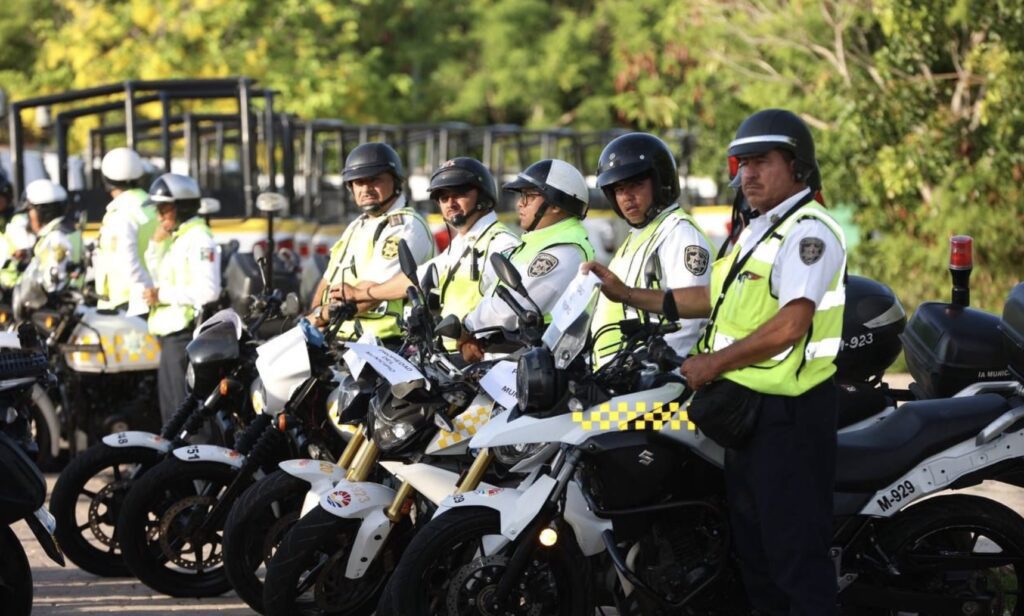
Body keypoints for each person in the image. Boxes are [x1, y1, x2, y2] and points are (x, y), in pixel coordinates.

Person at [587, 109, 846, 615]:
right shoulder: (756, 232)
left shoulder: (808, 233)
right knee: (756, 560)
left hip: (789, 418)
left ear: (797, 167)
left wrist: (714, 361)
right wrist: (627, 295)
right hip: (744, 417)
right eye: (742, 163)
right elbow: (708, 299)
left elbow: (792, 323)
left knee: (795, 562)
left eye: (761, 162)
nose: (746, 174)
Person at [336, 157, 519, 349]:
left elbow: (509, 305)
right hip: (451, 357)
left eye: (459, 194)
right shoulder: (463, 243)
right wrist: (361, 293)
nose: (450, 203)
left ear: (482, 196)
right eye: (443, 198)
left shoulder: (500, 242)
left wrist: (472, 336)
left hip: (487, 355)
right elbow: (416, 279)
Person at [589, 133, 712, 367]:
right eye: (619, 189)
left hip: (663, 378)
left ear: (660, 183)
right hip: (619, 371)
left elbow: (687, 322)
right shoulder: (637, 236)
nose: (627, 197)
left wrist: (648, 369)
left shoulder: (680, 234)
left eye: (636, 185)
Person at [459, 159, 595, 363]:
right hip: (518, 358)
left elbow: (514, 306)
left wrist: (467, 328)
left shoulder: (563, 250)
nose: (519, 204)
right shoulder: (538, 242)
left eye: (529, 196)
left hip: (541, 363)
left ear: (556, 204)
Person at [310, 142, 434, 341]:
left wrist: (318, 317)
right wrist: (316, 315)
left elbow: (368, 296)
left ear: (395, 181)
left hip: (385, 345)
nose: (366, 188)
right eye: (358, 182)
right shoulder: (357, 226)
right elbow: (327, 281)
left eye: (374, 180)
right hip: (341, 338)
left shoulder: (404, 225)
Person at [142, 173, 221, 423]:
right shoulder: (181, 237)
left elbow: (209, 291)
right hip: (171, 335)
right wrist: (155, 244)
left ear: (182, 206)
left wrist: (162, 295)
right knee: (171, 412)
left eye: (164, 208)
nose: (159, 215)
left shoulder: (199, 238)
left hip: (185, 335)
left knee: (184, 414)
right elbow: (157, 274)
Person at [94, 147, 159, 310]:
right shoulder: (154, 206)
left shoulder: (120, 213)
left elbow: (128, 262)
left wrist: (146, 289)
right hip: (150, 298)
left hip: (126, 302)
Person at [20, 179, 82, 293]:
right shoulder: (63, 232)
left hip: (60, 305)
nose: (28, 216)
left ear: (43, 211)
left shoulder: (57, 238)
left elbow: (54, 283)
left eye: (30, 210)